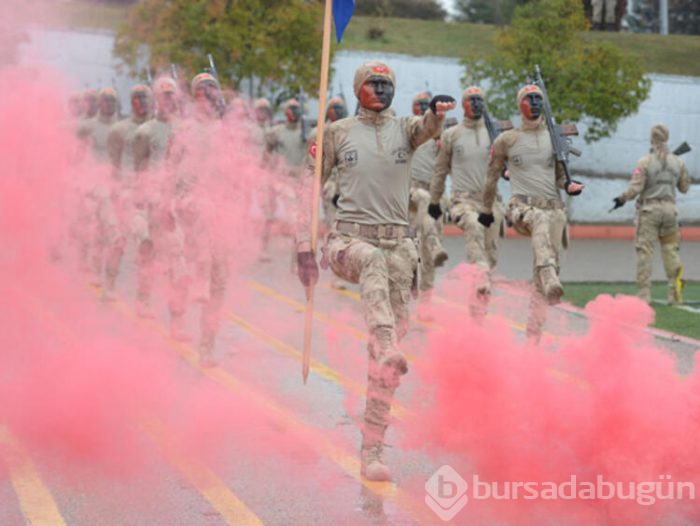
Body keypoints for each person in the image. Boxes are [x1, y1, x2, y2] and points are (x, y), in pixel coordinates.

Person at [296, 60, 455, 481]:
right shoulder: (335, 134)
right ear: (357, 88)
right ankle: (385, 343)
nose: (381, 91)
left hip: (399, 244)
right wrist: (302, 246)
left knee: (384, 364)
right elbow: (307, 188)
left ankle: (373, 450)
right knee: (372, 263)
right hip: (350, 242)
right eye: (373, 84)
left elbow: (427, 129)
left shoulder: (406, 129)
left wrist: (437, 113)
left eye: (387, 85)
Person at [478, 84, 584, 340]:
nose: (535, 103)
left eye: (539, 99)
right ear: (520, 104)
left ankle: (533, 337)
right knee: (538, 223)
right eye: (529, 99)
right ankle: (547, 271)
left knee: (543, 282)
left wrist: (569, 185)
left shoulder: (553, 138)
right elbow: (492, 177)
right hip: (522, 207)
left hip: (554, 210)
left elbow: (560, 177)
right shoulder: (508, 139)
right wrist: (486, 209)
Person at [429, 86, 504, 312]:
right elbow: (440, 171)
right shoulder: (452, 135)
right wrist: (434, 201)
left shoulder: (496, 135)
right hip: (463, 201)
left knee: (490, 256)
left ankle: (478, 311)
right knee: (472, 225)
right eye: (472, 100)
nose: (477, 104)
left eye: (480, 100)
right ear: (463, 105)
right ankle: (479, 271)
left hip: (490, 204)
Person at [612, 124, 690, 304]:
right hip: (671, 212)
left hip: (649, 212)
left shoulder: (644, 162)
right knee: (671, 251)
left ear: (651, 139)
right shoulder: (678, 162)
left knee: (644, 252)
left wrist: (622, 198)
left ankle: (644, 295)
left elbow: (636, 187)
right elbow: (684, 188)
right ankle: (674, 292)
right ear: (667, 138)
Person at [408, 91, 448, 317]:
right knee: (409, 250)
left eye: (427, 104)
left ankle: (426, 300)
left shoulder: (441, 135)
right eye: (419, 104)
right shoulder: (407, 131)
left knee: (427, 256)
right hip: (409, 194)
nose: (424, 107)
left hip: (433, 196)